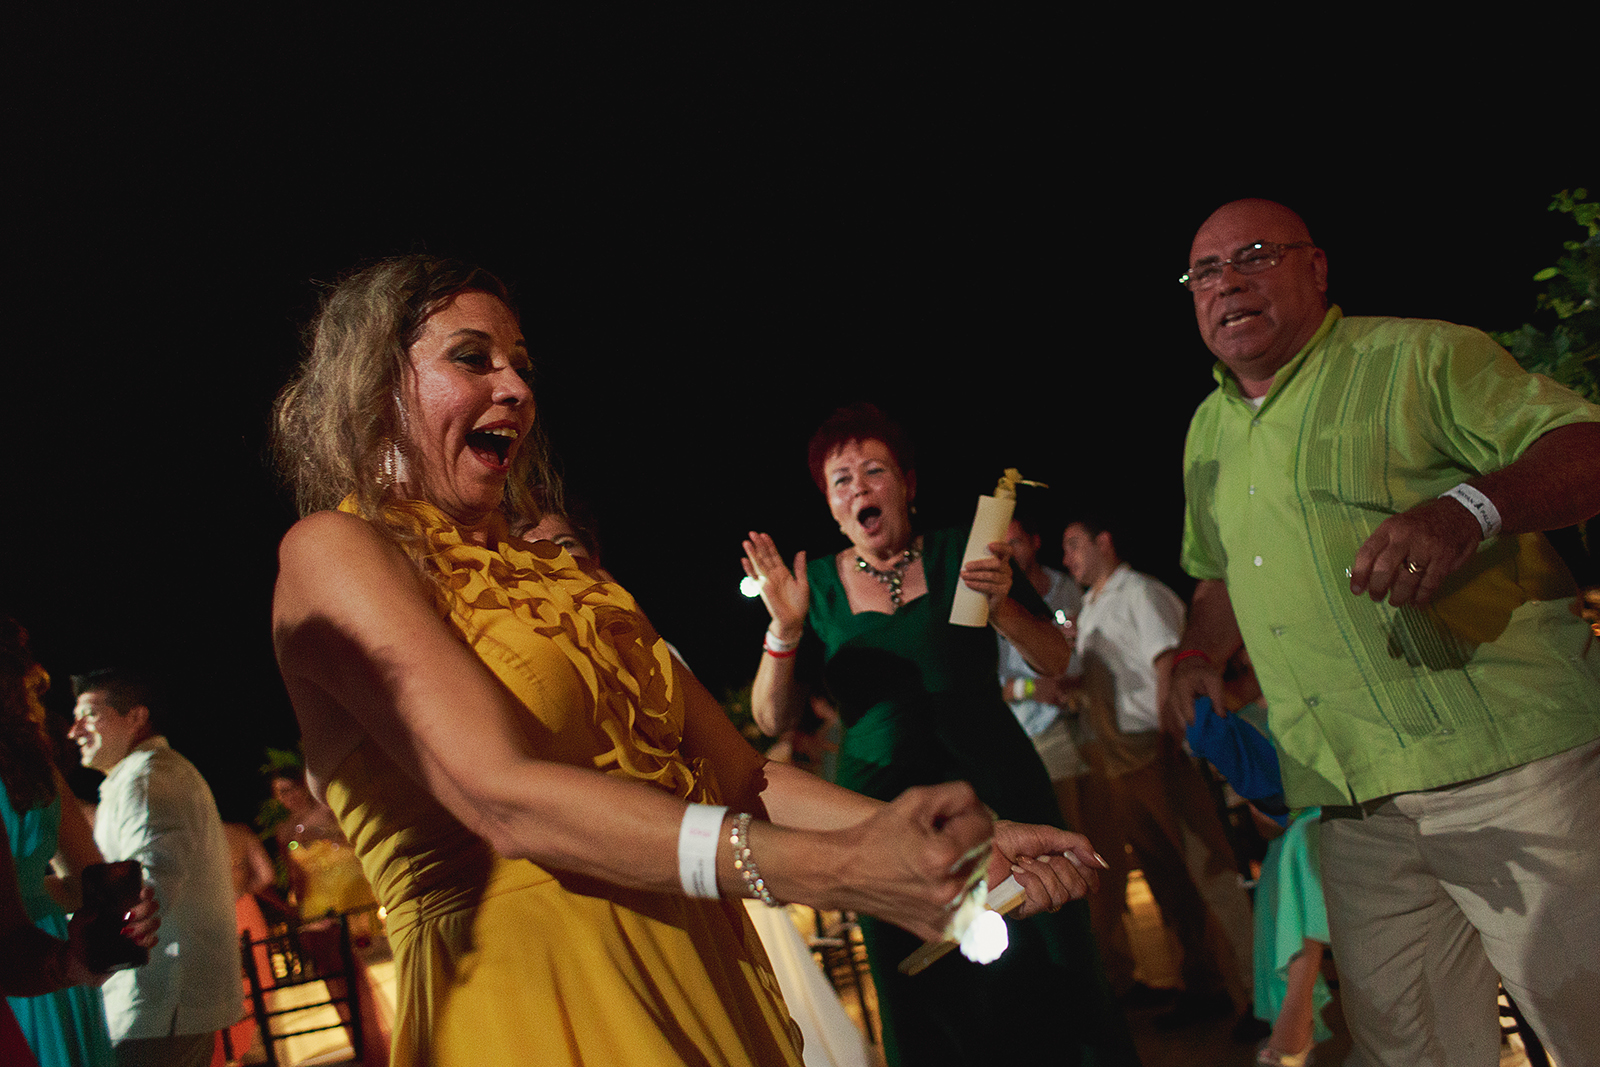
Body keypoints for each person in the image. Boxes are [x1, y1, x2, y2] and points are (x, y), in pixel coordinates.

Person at [269, 256, 1103, 1067]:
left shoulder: (567, 575)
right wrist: (842, 870)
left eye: (521, 365)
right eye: (471, 357)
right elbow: (502, 795)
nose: (518, 388)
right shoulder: (335, 553)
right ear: (377, 384)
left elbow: (747, 778)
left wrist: (958, 847)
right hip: (536, 993)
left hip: (700, 975)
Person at [1166, 198, 1600, 1066]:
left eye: (1254, 254)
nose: (1229, 282)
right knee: (1412, 1049)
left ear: (1316, 268)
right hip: (1350, 801)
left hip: (1512, 771)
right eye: (1206, 271)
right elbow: (1215, 572)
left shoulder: (1421, 355)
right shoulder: (1208, 430)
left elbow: (1583, 446)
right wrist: (1195, 649)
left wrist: (1469, 507)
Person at [741, 403, 1139, 1067]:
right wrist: (783, 630)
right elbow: (771, 720)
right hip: (885, 813)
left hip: (997, 786)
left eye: (875, 471)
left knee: (1049, 966)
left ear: (909, 483)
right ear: (832, 507)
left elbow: (1055, 660)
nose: (860, 488)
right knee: (930, 993)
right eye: (842, 480)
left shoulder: (966, 550)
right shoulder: (815, 590)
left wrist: (1003, 605)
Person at [1060, 517, 1255, 1028]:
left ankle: (1262, 997)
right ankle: (1205, 983)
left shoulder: (1139, 592)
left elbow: (1169, 662)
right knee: (1168, 880)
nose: (1068, 557)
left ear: (1106, 539)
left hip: (1157, 748)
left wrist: (1174, 735)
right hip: (1118, 758)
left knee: (1209, 872)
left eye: (1075, 544)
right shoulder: (1093, 605)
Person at [1, 619, 160, 1067]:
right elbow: (85, 883)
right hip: (48, 941)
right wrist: (34, 892)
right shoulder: (38, 772)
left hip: (30, 958)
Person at [69, 671, 240, 1067]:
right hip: (156, 1003)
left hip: (158, 999)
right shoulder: (134, 777)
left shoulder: (147, 777)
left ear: (135, 717)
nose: (74, 730)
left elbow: (147, 880)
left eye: (90, 714)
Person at [995, 514, 1088, 831]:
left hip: (1088, 724)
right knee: (1070, 831)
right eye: (1002, 546)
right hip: (1039, 736)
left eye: (1016, 542)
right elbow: (993, 687)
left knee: (1107, 831)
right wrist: (1033, 689)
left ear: (1035, 542)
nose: (1010, 552)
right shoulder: (995, 607)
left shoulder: (1066, 587)